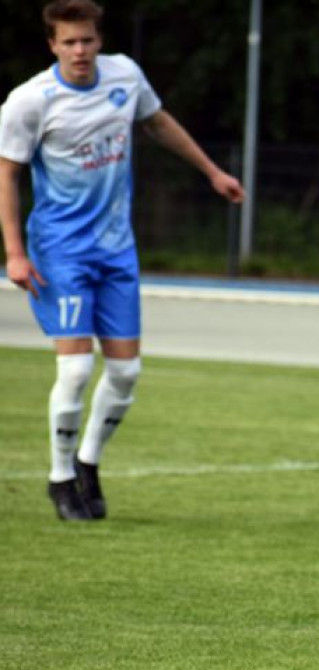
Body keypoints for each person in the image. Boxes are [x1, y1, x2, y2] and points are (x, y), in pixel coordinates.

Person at [0, 0, 244, 521]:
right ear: (52, 46)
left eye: (87, 40)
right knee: (75, 370)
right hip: (60, 250)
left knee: (127, 372)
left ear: (98, 39)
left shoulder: (125, 75)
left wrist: (211, 171)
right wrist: (15, 253)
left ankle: (88, 463)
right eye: (69, 42)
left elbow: (158, 123)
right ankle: (61, 477)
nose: (81, 51)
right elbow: (7, 175)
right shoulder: (29, 102)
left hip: (116, 247)